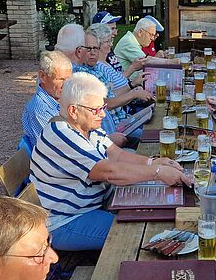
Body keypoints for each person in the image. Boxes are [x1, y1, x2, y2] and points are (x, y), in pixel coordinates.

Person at [29, 73, 190, 251]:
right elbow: (110, 173)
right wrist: (158, 173)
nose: (103, 114)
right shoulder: (61, 134)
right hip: (65, 221)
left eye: (103, 107)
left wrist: (154, 162)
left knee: (147, 214)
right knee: (136, 233)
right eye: (96, 110)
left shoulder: (84, 125)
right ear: (73, 110)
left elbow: (117, 155)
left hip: (92, 205)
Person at [20, 50, 72, 154]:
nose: (66, 85)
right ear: (43, 76)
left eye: (68, 79)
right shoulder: (39, 109)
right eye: (60, 79)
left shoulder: (60, 98)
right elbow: (56, 148)